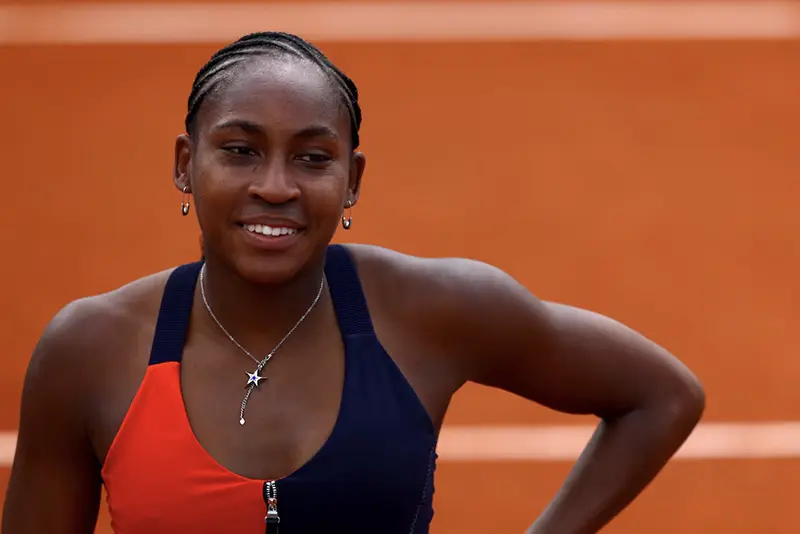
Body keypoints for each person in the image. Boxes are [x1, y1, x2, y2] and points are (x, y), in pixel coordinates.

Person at [2, 31, 705, 534]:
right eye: (240, 151)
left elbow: (661, 395)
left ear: (352, 180)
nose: (275, 186)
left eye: (312, 158)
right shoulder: (89, 350)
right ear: (186, 164)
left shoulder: (433, 312)